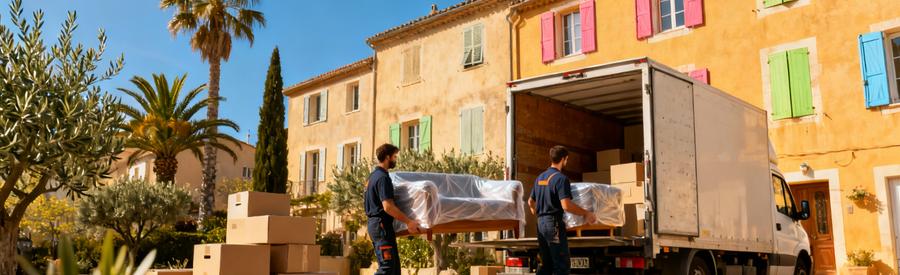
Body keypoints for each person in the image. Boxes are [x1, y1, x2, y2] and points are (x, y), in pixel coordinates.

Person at [528, 145, 597, 275]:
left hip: (541, 224)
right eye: (566, 159)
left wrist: (536, 211)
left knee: (546, 264)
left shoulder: (540, 178)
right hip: (553, 224)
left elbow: (530, 201)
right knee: (561, 265)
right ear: (564, 159)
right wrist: (586, 213)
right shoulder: (561, 179)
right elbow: (566, 205)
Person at [365, 144, 424, 275]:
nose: (396, 160)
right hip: (381, 227)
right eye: (394, 157)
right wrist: (409, 222)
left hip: (378, 226)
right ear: (387, 157)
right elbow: (388, 206)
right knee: (387, 268)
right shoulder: (382, 178)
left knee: (395, 270)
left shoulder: (372, 177)